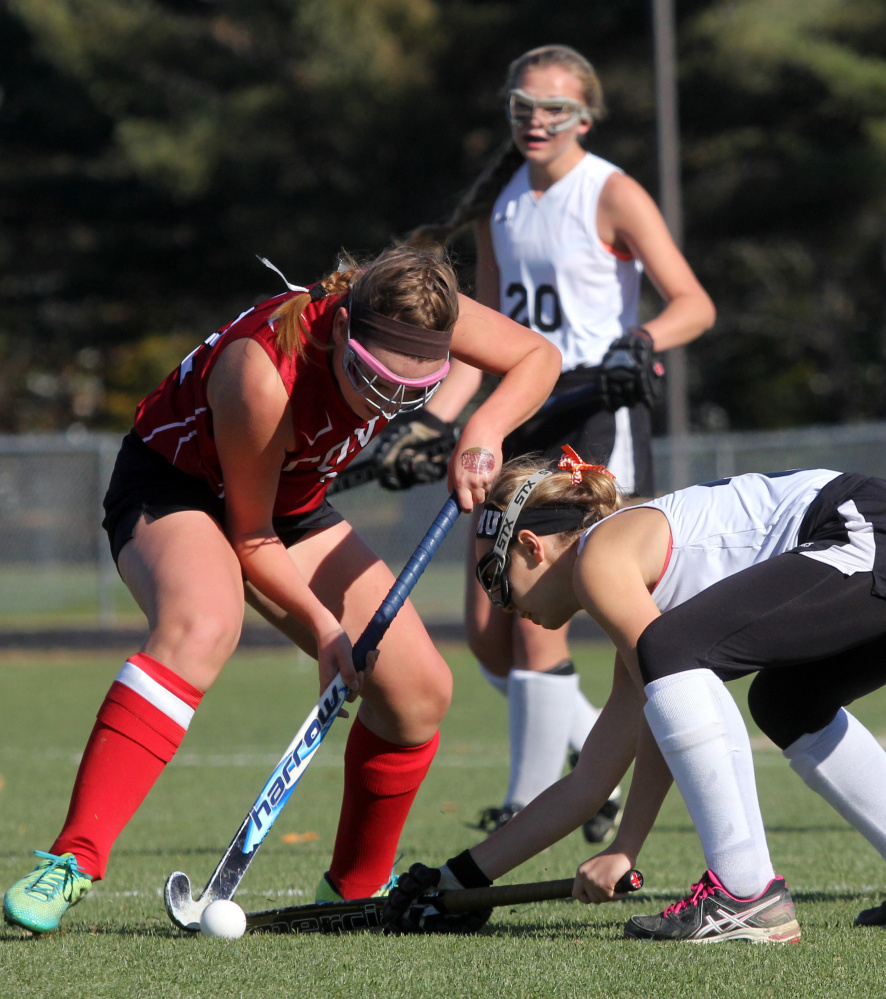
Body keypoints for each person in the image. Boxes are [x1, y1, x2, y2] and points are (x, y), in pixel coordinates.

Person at [1, 245, 561, 934]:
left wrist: (480, 430)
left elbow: (539, 358)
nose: (386, 404)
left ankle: (354, 890)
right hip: (178, 486)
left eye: (411, 392)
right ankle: (73, 858)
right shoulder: (261, 370)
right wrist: (327, 630)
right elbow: (250, 538)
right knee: (202, 622)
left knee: (419, 690)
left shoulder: (422, 312)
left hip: (289, 501)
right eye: (374, 380)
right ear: (341, 330)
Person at [375, 44, 715, 842]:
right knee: (491, 631)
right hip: (522, 414)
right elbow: (484, 341)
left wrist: (644, 340)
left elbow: (693, 303)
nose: (537, 120)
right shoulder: (504, 207)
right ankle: (590, 766)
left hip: (596, 411)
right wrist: (431, 418)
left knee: (537, 611)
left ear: (584, 118)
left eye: (554, 108)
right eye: (523, 106)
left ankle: (530, 796)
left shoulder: (612, 191)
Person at [383, 447, 886, 942]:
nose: (502, 606)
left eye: (495, 579)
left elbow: (671, 677)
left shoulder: (597, 561)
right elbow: (590, 782)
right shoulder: (630, 586)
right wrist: (458, 878)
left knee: (672, 650)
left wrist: (627, 843)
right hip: (864, 539)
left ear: (533, 547)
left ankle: (746, 894)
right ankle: (746, 894)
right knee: (787, 704)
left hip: (862, 531)